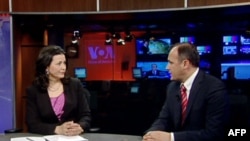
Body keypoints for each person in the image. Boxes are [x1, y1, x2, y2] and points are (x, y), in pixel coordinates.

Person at [142, 42, 228, 141]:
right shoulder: (172, 88)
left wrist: (171, 137)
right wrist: (151, 134)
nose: (167, 67)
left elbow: (213, 133)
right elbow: (164, 119)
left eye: (171, 63)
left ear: (185, 64)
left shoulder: (214, 88)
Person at [25, 45, 91, 135]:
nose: (63, 67)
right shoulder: (33, 91)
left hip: (72, 138)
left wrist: (80, 126)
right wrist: (56, 129)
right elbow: (32, 124)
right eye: (59, 64)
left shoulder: (75, 85)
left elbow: (85, 115)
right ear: (46, 67)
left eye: (64, 63)